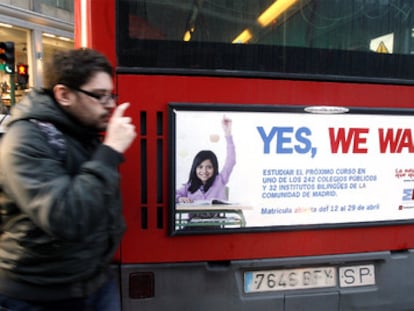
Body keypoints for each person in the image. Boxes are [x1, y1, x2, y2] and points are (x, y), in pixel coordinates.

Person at [0, 48, 136, 310]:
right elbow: (67, 217)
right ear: (64, 94)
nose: (110, 105)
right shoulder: (24, 141)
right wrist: (110, 151)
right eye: (99, 96)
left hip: (93, 284)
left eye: (111, 95)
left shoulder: (81, 132)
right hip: (34, 297)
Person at [176, 117, 236, 226]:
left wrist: (228, 134)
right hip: (193, 228)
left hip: (214, 227)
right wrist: (180, 198)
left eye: (209, 167)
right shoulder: (189, 186)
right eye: (200, 167)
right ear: (195, 168)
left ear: (215, 168)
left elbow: (231, 160)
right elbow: (173, 195)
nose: (204, 171)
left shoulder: (220, 180)